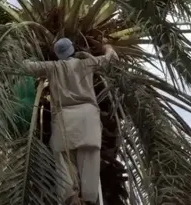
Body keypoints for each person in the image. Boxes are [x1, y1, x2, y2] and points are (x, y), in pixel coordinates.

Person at [20, 38, 118, 205]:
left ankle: (71, 199)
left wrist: (28, 51)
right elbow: (112, 59)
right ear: (72, 49)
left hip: (64, 120)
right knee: (89, 162)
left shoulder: (53, 67)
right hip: (88, 120)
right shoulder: (86, 64)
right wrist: (107, 46)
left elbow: (25, 66)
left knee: (64, 163)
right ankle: (88, 199)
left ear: (58, 54)